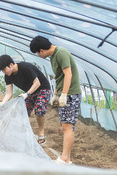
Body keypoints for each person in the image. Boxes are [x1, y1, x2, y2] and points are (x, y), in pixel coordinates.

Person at [29, 36, 81, 165]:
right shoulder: (54, 56)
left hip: (71, 94)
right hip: (65, 93)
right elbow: (60, 77)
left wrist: (64, 94)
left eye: (37, 52)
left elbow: (68, 74)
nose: (38, 55)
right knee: (66, 125)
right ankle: (66, 159)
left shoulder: (61, 53)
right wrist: (56, 94)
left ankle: (64, 159)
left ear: (41, 50)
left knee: (67, 126)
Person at [0, 54, 52, 144]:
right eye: (2, 71)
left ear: (11, 65)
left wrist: (27, 94)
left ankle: (41, 133)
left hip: (43, 89)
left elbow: (37, 83)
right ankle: (22, 134)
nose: (4, 72)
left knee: (39, 109)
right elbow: (9, 93)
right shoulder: (8, 76)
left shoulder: (26, 67)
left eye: (4, 69)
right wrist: (0, 105)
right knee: (22, 111)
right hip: (29, 92)